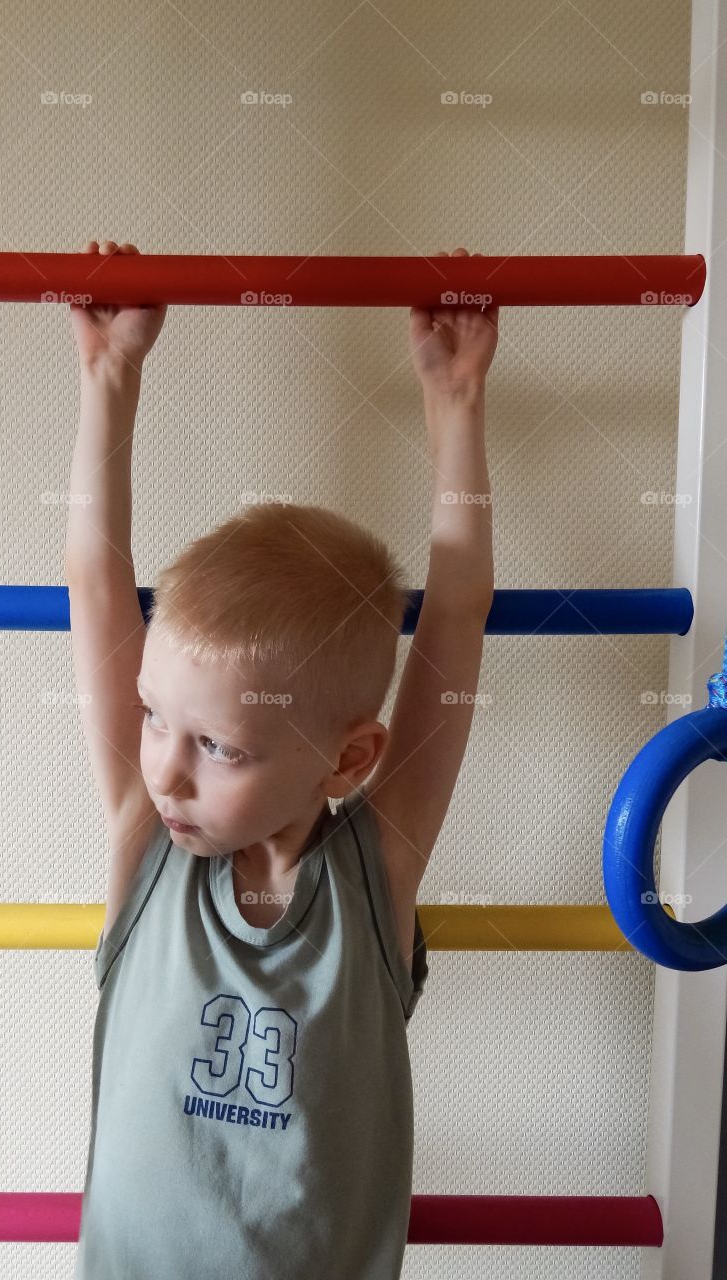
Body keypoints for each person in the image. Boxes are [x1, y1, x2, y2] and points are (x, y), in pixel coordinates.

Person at [65, 240, 498, 1278]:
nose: (166, 768)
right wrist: (109, 380)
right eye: (155, 719)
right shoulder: (149, 838)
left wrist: (456, 410)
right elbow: (94, 575)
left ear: (346, 758)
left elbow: (454, 622)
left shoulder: (373, 870)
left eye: (219, 745)